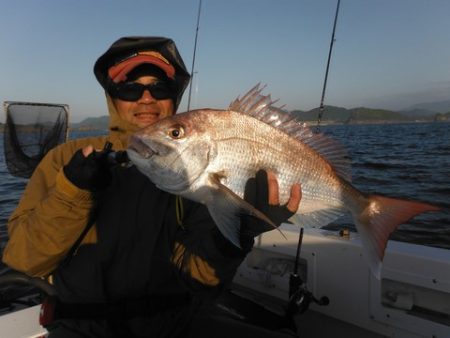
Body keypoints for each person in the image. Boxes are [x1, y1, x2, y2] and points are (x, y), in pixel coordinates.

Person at [2, 36, 301, 337]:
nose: (147, 98)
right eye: (130, 87)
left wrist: (235, 236)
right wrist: (74, 191)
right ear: (112, 95)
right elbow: (25, 259)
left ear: (174, 96)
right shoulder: (65, 159)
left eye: (160, 88)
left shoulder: (193, 171)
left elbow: (200, 279)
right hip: (81, 329)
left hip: (175, 326)